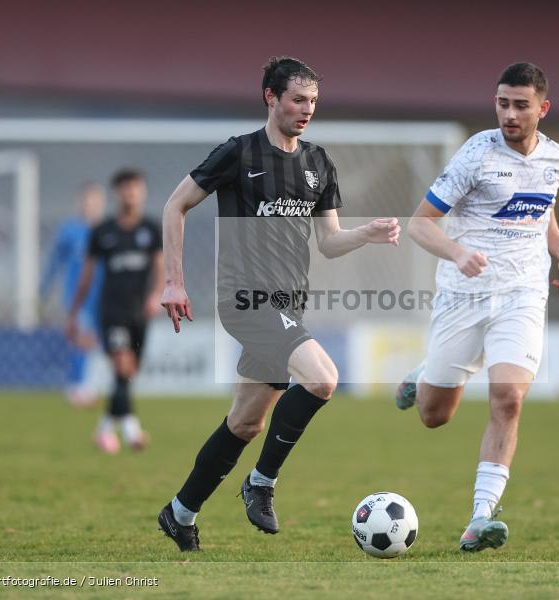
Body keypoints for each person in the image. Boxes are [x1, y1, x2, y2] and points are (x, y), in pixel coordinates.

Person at [156, 56, 400, 552]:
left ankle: (180, 513)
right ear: (270, 97)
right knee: (323, 377)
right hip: (245, 299)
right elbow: (174, 205)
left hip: (288, 305)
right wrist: (174, 281)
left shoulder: (318, 163)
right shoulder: (237, 153)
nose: (306, 109)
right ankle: (261, 483)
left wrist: (366, 235)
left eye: (313, 101)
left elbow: (329, 242)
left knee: (247, 422)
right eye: (297, 100)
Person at [395, 62, 559, 552]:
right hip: (464, 295)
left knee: (509, 399)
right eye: (502, 103)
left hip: (523, 294)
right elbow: (420, 224)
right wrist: (458, 252)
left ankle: (480, 517)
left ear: (544, 108)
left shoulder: (557, 159)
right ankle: (425, 374)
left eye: (521, 105)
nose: (509, 114)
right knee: (435, 415)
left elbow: (542, 206)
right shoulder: (476, 155)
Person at [67, 168, 164, 454]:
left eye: (135, 188)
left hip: (139, 313)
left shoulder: (150, 229)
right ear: (116, 193)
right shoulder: (102, 232)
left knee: (128, 372)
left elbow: (160, 268)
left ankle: (105, 429)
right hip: (110, 311)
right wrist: (73, 313)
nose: (130, 193)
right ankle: (133, 431)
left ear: (142, 192)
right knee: (122, 364)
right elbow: (86, 275)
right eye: (125, 188)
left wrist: (156, 296)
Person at [40, 183, 105, 407]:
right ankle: (77, 386)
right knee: (81, 338)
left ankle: (86, 384)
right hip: (76, 296)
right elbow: (54, 262)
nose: (90, 207)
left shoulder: (107, 230)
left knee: (96, 340)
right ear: (80, 203)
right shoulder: (69, 230)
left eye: (95, 202)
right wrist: (43, 290)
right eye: (87, 202)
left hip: (103, 295)